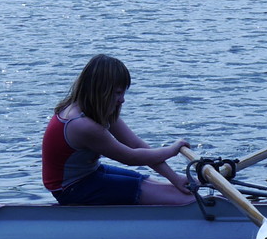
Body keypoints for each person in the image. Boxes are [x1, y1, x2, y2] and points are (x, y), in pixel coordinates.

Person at [42, 54, 195, 205]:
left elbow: (136, 145)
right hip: (72, 190)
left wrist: (175, 178)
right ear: (100, 91)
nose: (122, 99)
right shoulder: (82, 126)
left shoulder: (97, 109)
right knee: (183, 199)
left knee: (161, 186)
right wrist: (172, 149)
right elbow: (131, 157)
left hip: (90, 173)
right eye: (117, 93)